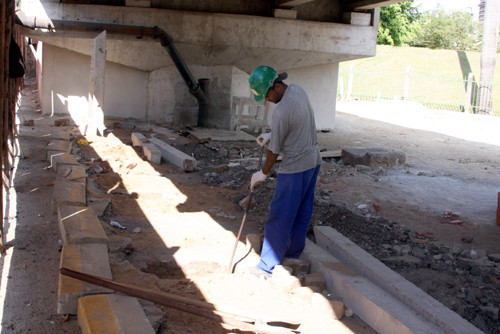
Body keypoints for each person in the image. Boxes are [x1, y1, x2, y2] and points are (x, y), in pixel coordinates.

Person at [248, 65, 321, 275]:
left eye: (268, 95)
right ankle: (293, 254)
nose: (267, 100)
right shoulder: (297, 90)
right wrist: (273, 133)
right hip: (313, 161)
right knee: (301, 210)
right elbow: (297, 122)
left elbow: (274, 152)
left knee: (280, 214)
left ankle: (267, 266)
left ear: (277, 86)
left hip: (296, 167)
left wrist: (262, 174)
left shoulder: (281, 112)